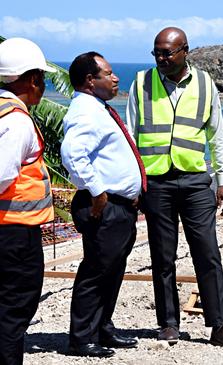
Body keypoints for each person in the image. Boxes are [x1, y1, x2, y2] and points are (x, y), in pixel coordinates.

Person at [126, 27, 223, 350]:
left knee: (207, 252)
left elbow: (217, 136)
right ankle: (168, 323)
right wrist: (134, 183)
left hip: (194, 181)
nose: (161, 59)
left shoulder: (205, 85)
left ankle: (219, 325)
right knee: (162, 255)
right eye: (157, 53)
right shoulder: (141, 83)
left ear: (185, 51)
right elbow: (130, 136)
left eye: (167, 53)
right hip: (156, 181)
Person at [61, 52, 145, 358]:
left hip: (120, 206)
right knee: (96, 271)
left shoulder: (99, 109)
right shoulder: (86, 112)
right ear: (89, 81)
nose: (115, 78)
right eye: (107, 74)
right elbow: (72, 154)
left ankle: (102, 327)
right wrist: (98, 193)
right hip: (105, 206)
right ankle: (81, 338)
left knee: (113, 270)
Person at [0, 37, 55, 365]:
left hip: (10, 231)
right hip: (14, 235)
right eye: (42, 78)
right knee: (13, 313)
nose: (45, 86)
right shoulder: (17, 121)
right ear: (32, 79)